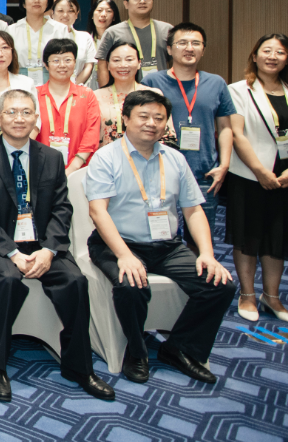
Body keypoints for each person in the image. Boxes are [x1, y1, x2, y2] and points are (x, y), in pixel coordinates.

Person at [0, 88, 113, 402]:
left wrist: (49, 250)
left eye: (25, 112)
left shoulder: (52, 158)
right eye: (11, 112)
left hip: (42, 243)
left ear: (36, 118)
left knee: (75, 281)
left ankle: (79, 367)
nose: (18, 119)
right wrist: (13, 254)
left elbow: (62, 209)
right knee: (7, 279)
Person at [86, 90, 235, 385]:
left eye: (159, 118)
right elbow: (98, 212)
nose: (151, 123)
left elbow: (193, 210)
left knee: (219, 285)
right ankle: (136, 351)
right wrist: (124, 255)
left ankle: (179, 348)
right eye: (143, 116)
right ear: (125, 119)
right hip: (118, 243)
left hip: (167, 246)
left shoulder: (175, 159)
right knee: (131, 285)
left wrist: (207, 253)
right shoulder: (106, 157)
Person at [227, 34, 288, 324]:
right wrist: (260, 171)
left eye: (280, 52)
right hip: (251, 174)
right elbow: (237, 133)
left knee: (279, 236)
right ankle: (247, 295)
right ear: (255, 56)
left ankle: (272, 297)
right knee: (248, 235)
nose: (273, 56)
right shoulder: (238, 90)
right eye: (267, 51)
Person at [142, 23, 235, 239]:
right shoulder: (152, 81)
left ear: (203, 49)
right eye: (182, 43)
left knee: (200, 238)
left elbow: (225, 127)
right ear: (169, 49)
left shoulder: (216, 83)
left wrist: (224, 165)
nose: (189, 48)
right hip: (159, 172)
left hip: (204, 174)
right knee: (159, 235)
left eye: (196, 43)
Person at [35, 39, 100, 175]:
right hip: (40, 170)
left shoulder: (87, 95)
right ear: (46, 64)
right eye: (56, 60)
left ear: (75, 63)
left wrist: (72, 169)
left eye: (68, 60)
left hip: (79, 171)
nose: (62, 65)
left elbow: (91, 134)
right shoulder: (34, 95)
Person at [93, 42, 167, 150]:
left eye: (129, 59)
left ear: (139, 63)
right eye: (116, 60)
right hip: (107, 158)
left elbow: (166, 134)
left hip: (145, 157)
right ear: (108, 65)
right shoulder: (95, 96)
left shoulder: (154, 94)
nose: (123, 65)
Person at [95, 0, 171, 88]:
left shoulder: (167, 30)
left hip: (161, 90)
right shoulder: (113, 32)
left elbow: (176, 62)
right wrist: (106, 93)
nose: (142, 1)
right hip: (124, 92)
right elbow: (102, 65)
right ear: (126, 3)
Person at [7, 0, 69, 85]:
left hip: (53, 81)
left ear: (48, 2)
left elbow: (66, 58)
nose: (37, 0)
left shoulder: (59, 29)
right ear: (23, 3)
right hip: (18, 81)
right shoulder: (11, 30)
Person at [51, 0, 97, 87]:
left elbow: (88, 66)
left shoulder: (85, 37)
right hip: (50, 88)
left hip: (77, 88)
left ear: (76, 14)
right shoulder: (46, 37)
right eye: (60, 11)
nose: (65, 15)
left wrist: (72, 87)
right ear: (52, 13)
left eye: (70, 11)